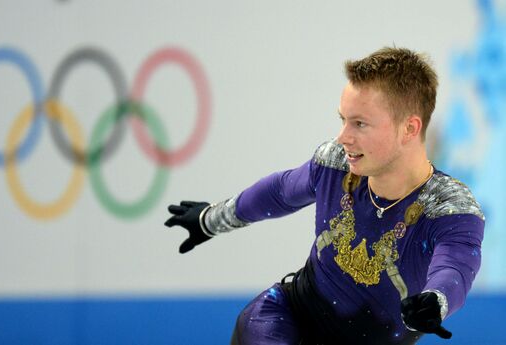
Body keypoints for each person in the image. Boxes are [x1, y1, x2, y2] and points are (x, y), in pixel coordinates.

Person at [164, 47, 485, 345]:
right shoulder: (335, 164)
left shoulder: (449, 208)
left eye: (360, 123)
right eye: (343, 120)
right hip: (286, 319)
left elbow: (455, 268)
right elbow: (279, 192)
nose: (343, 137)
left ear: (409, 129)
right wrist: (210, 220)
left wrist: (437, 301)